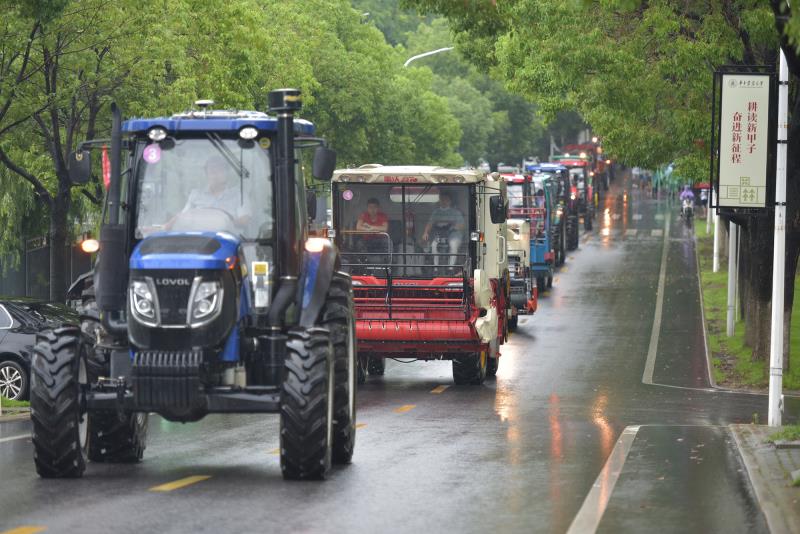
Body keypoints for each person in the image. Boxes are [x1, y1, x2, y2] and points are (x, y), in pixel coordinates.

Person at [181, 156, 252, 227]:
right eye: (212, 170)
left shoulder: (239, 195)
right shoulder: (196, 194)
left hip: (228, 236)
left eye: (219, 170)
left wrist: (223, 224)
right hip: (199, 236)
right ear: (207, 174)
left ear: (227, 173)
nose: (215, 174)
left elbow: (245, 220)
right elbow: (182, 218)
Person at [422, 191, 466, 267]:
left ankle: (450, 268)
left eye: (446, 199)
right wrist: (425, 232)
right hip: (439, 234)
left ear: (450, 201)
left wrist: (454, 227)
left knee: (453, 245)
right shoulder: (436, 212)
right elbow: (430, 223)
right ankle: (436, 268)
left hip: (453, 234)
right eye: (442, 199)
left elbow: (462, 226)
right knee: (434, 246)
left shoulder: (456, 212)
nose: (444, 201)